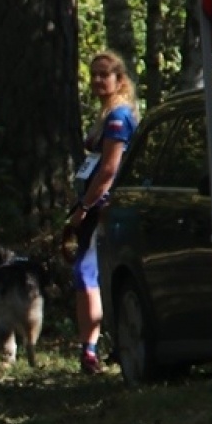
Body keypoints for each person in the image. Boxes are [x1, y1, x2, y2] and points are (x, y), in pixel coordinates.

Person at [63, 50, 140, 375]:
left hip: (104, 207)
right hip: (93, 204)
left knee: (87, 272)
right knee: (90, 273)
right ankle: (98, 345)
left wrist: (85, 206)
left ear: (119, 80)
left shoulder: (118, 117)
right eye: (93, 74)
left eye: (103, 75)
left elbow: (109, 168)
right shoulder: (103, 115)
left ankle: (91, 349)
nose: (96, 81)